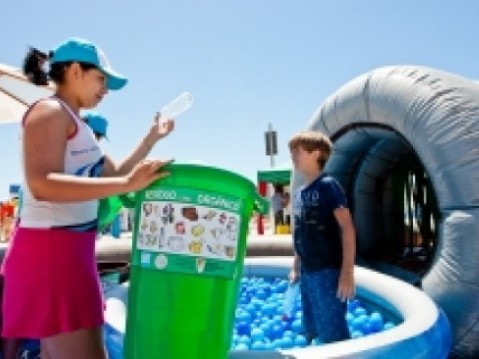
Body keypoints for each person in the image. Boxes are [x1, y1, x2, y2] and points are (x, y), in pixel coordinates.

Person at [1, 37, 174, 359]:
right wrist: (126, 183)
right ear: (76, 71)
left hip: (68, 252)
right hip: (51, 252)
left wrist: (151, 138)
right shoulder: (50, 111)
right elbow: (41, 183)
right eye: (102, 78)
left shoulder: (74, 121)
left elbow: (115, 173)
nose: (106, 89)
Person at [288, 130, 356, 345]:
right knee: (312, 326)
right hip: (308, 271)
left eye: (297, 151)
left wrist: (347, 273)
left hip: (327, 270)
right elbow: (301, 232)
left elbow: (347, 228)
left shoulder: (328, 186)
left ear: (316, 154)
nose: (293, 156)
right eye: (292, 152)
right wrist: (296, 265)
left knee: (332, 330)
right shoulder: (299, 193)